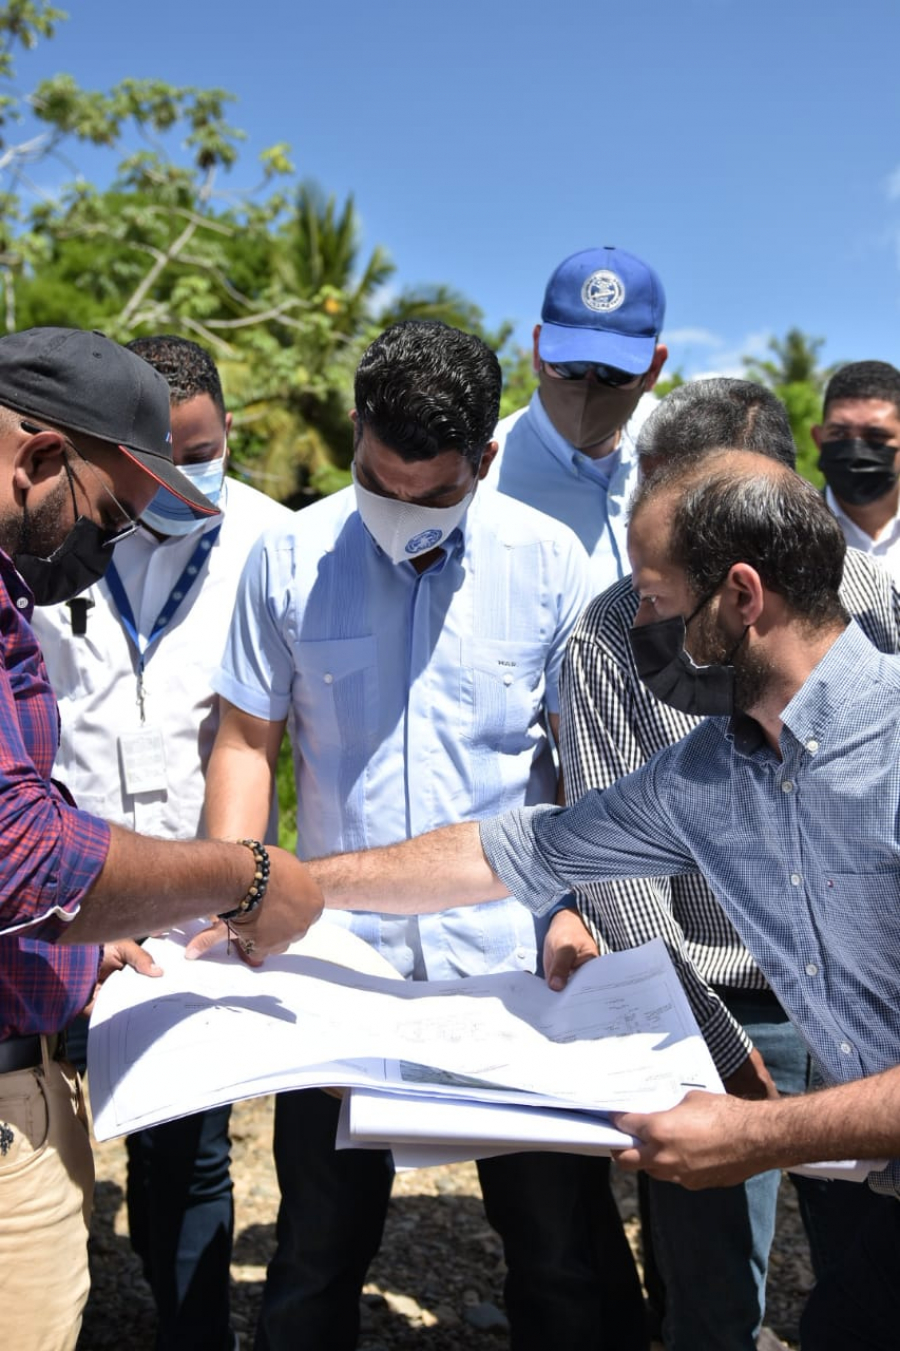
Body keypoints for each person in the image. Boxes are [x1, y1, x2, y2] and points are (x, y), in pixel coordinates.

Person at [296, 450, 900, 1351]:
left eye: (652, 600)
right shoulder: (712, 771)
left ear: (742, 595)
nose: (635, 627)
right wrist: (292, 884)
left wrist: (756, 1135)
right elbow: (516, 851)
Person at [202, 319, 650, 1350]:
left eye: (433, 492)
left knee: (558, 1253)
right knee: (315, 1253)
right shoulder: (289, 557)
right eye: (377, 480)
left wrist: (577, 908)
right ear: (356, 430)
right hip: (338, 968)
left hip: (516, 972)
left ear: (484, 459)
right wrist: (239, 891)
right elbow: (245, 741)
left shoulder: (551, 565)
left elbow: (587, 766)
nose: (400, 508)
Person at [558, 379, 899, 1350]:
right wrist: (707, 1035)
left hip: (866, 1015)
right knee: (713, 1301)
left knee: (865, 1272)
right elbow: (615, 867)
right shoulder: (611, 636)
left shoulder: (869, 600)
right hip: (712, 1009)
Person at [0, 325, 321, 1351]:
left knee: (184, 1162)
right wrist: (244, 877)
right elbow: (20, 848)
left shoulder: (274, 541)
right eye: (109, 516)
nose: (108, 544)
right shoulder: (22, 565)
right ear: (42, 458)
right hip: (65, 927)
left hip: (129, 930)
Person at [490, 245, 667, 590]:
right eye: (569, 365)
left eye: (613, 372)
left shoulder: (679, 470)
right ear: (538, 350)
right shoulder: (480, 480)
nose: (587, 386)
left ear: (654, 370)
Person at [812, 359, 900, 581]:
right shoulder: (786, 539)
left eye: (876, 435)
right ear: (819, 439)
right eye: (840, 434)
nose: (856, 450)